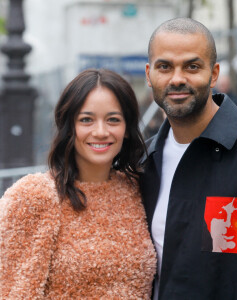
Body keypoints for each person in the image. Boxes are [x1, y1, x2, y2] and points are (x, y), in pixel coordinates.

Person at [140, 17, 237, 299]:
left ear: (214, 74)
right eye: (164, 67)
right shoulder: (143, 161)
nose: (177, 79)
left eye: (192, 66)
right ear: (149, 74)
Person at [0, 69, 156, 298]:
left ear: (127, 129)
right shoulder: (34, 196)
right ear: (69, 126)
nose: (101, 132)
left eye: (113, 119)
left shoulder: (137, 190)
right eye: (86, 120)